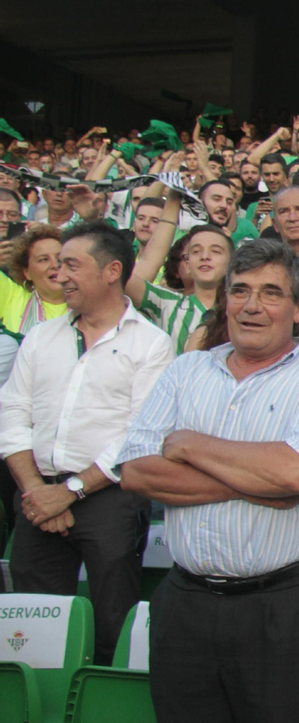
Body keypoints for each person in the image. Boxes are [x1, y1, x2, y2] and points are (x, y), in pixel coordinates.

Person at [120, 239, 299, 723]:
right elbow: (137, 473)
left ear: (298, 309)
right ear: (223, 300)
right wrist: (257, 480)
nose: (252, 306)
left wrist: (189, 444)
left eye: (271, 293)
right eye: (240, 291)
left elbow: (295, 477)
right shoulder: (185, 372)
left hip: (286, 611)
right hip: (186, 608)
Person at [0, 221, 173, 665]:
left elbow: (138, 434)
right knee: (32, 625)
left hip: (110, 499)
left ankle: (103, 715)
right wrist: (37, 490)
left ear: (112, 270)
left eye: (72, 265)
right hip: (37, 496)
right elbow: (12, 413)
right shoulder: (41, 336)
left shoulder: (151, 344)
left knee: (113, 621)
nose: (60, 275)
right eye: (57, 265)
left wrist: (70, 492)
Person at [127, 186, 232, 353]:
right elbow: (144, 266)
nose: (205, 256)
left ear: (232, 262)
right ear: (187, 263)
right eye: (196, 251)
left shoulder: (241, 307)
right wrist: (173, 202)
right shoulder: (167, 303)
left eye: (216, 251)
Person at [0, 224, 67, 334]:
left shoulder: (91, 302)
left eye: (60, 257)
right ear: (26, 272)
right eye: (44, 259)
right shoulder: (12, 296)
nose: (55, 265)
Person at [199, 179, 258, 245]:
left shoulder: (232, 244)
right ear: (199, 203)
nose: (224, 205)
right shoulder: (186, 238)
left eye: (229, 202)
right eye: (217, 199)